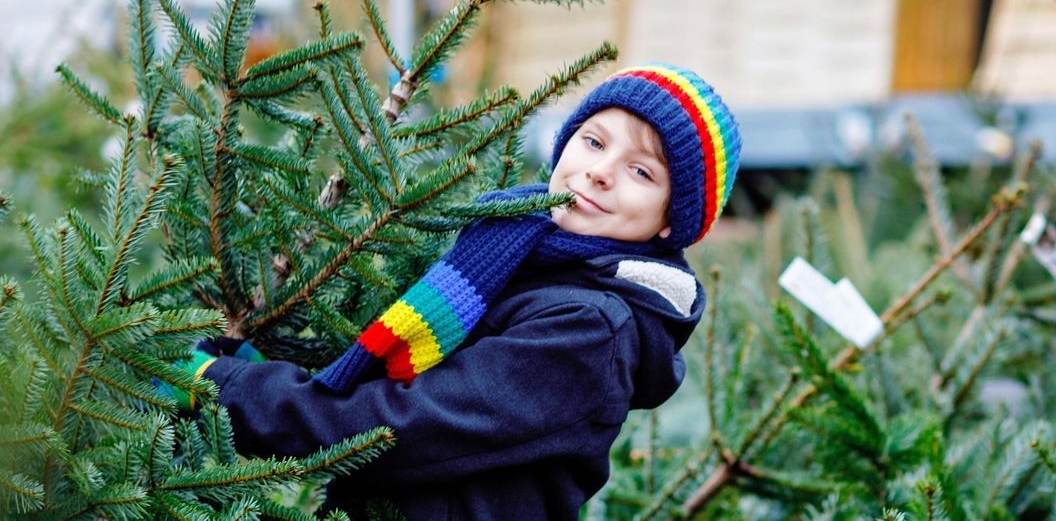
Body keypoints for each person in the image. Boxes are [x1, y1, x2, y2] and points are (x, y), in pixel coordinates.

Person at [172, 63, 742, 520]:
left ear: (671, 221)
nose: (600, 171)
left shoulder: (591, 332)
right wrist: (266, 368)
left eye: (642, 172)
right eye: (594, 142)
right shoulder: (512, 253)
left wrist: (222, 387)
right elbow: (393, 372)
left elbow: (398, 426)